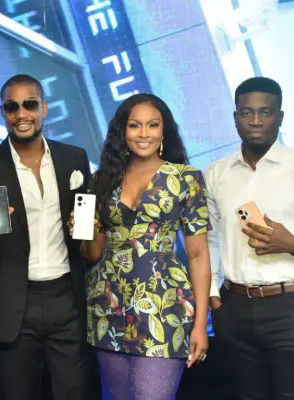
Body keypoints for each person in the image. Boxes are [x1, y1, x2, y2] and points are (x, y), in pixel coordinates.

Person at [0, 74, 92, 400]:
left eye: (30, 104)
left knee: (74, 393)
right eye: (12, 107)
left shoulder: (74, 158)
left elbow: (86, 223)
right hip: (14, 305)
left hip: (67, 297)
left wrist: (85, 227)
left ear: (44, 108)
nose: (21, 114)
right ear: (2, 113)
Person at [77, 94, 211, 399]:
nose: (144, 133)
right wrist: (87, 231)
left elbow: (198, 254)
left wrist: (200, 324)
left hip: (164, 307)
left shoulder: (185, 179)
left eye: (153, 125)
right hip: (107, 308)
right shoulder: (100, 181)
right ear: (122, 131)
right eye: (135, 125)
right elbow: (91, 254)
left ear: (164, 131)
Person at [206, 77, 294, 399]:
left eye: (265, 112)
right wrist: (211, 291)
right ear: (235, 117)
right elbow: (211, 238)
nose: (255, 120)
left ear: (280, 117)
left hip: (293, 306)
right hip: (234, 306)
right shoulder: (216, 173)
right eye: (246, 112)